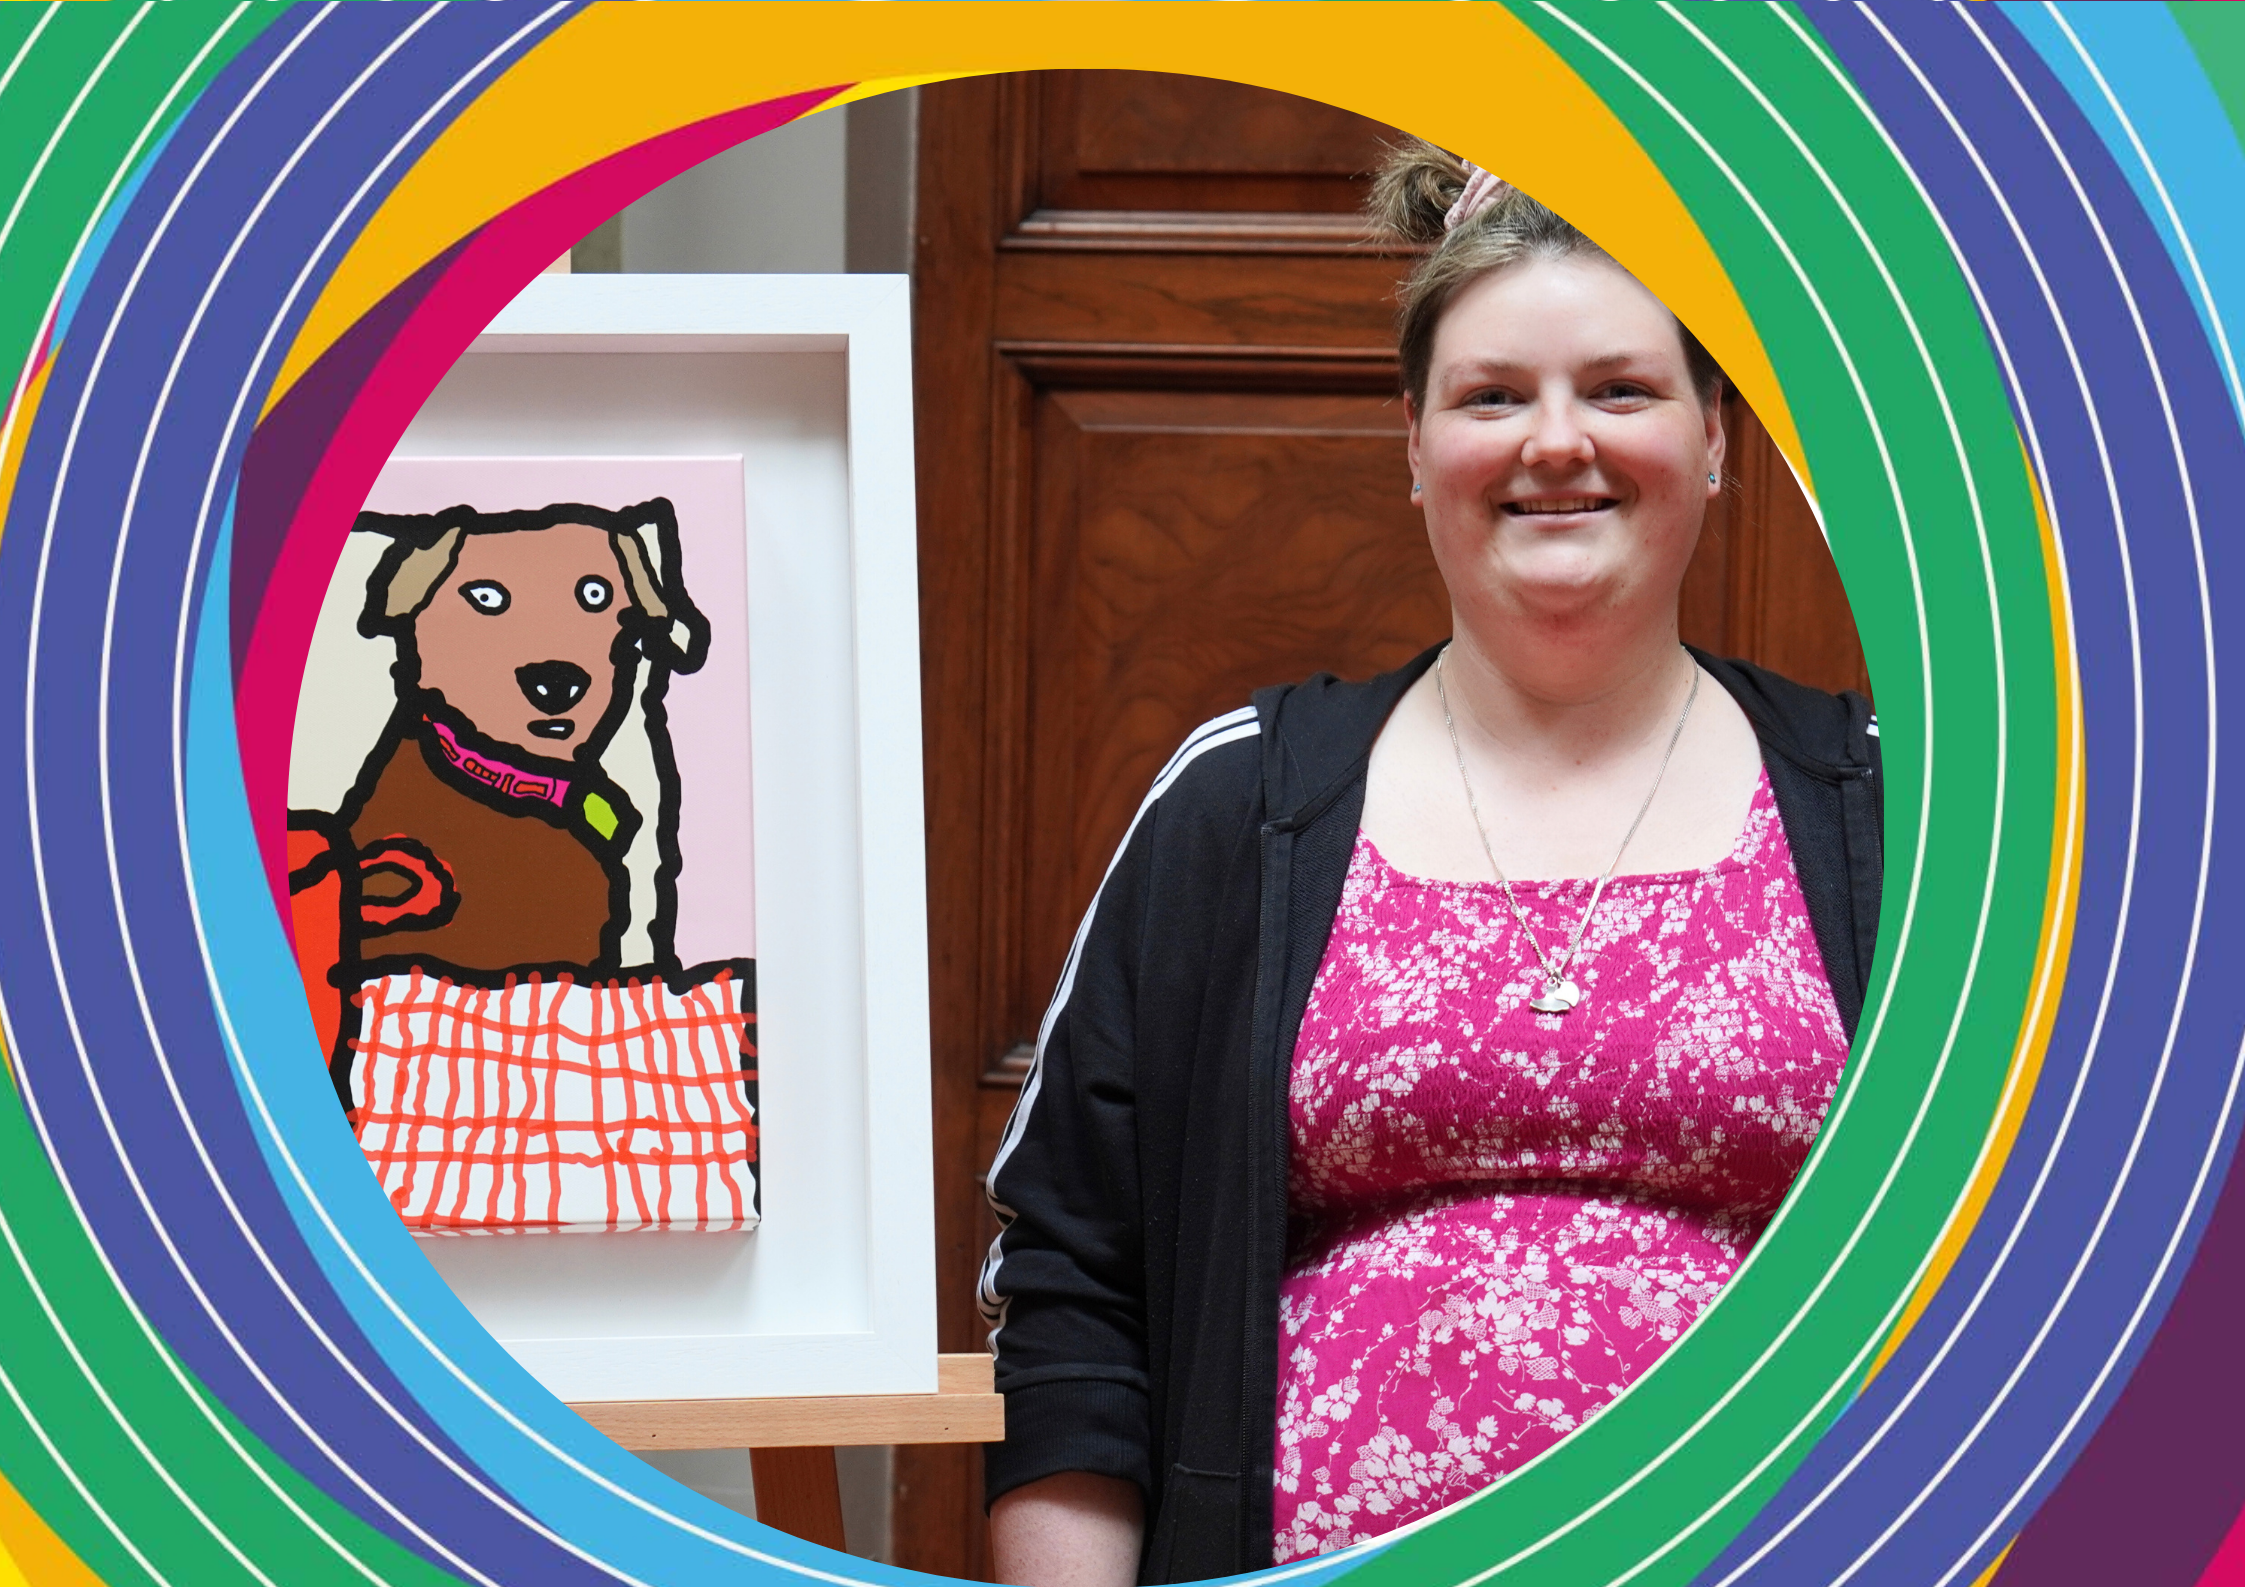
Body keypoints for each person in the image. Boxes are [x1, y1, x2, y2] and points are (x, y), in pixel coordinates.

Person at [977, 141, 1882, 1587]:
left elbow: (2033, 1278)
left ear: (1717, 433)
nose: (1556, 440)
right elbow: (1077, 1284)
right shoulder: (1238, 804)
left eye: (1623, 388)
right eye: (1493, 395)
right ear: (1414, 444)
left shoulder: (1893, 811)